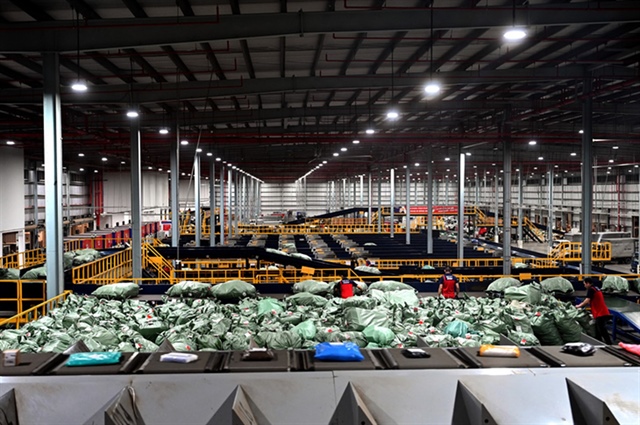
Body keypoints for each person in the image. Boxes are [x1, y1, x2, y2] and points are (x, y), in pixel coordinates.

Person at [576, 277, 612, 344]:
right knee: (598, 329)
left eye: (585, 284)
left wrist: (579, 306)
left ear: (588, 283)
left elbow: (587, 301)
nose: (584, 286)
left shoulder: (591, 290)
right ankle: (599, 342)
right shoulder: (596, 288)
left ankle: (609, 344)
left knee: (602, 330)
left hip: (600, 313)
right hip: (602, 312)